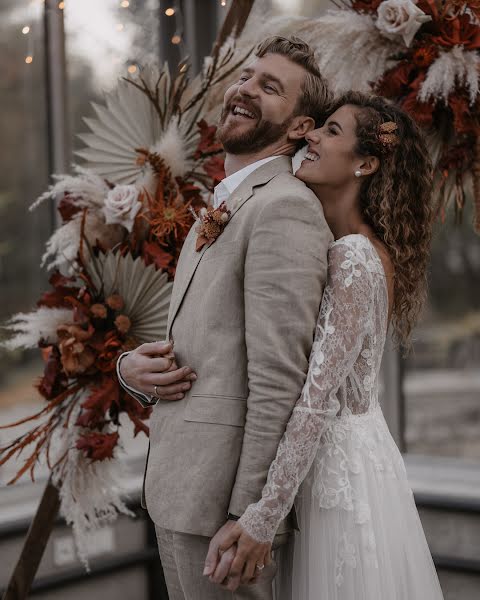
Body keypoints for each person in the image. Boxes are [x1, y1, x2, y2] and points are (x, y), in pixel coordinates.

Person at [202, 92, 445, 599]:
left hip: (340, 477)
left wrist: (262, 519)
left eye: (331, 131)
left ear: (365, 163)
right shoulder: (352, 247)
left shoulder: (355, 255)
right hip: (344, 460)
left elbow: (315, 402)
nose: (310, 135)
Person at [116, 37, 333, 599]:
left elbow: (282, 380)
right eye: (246, 77)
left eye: (270, 87)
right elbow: (202, 350)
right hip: (180, 491)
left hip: (223, 518)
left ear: (299, 127)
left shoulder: (282, 207)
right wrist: (130, 371)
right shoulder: (226, 204)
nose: (245, 89)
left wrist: (253, 515)